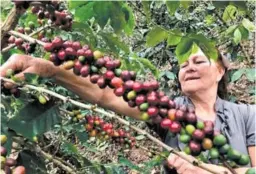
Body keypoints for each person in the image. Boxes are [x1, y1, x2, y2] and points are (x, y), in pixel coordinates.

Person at [0, 48, 255, 174]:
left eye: (198, 61)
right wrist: (50, 69)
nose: (188, 68)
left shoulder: (248, 115)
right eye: (183, 64)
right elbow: (106, 94)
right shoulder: (170, 110)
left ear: (221, 71)